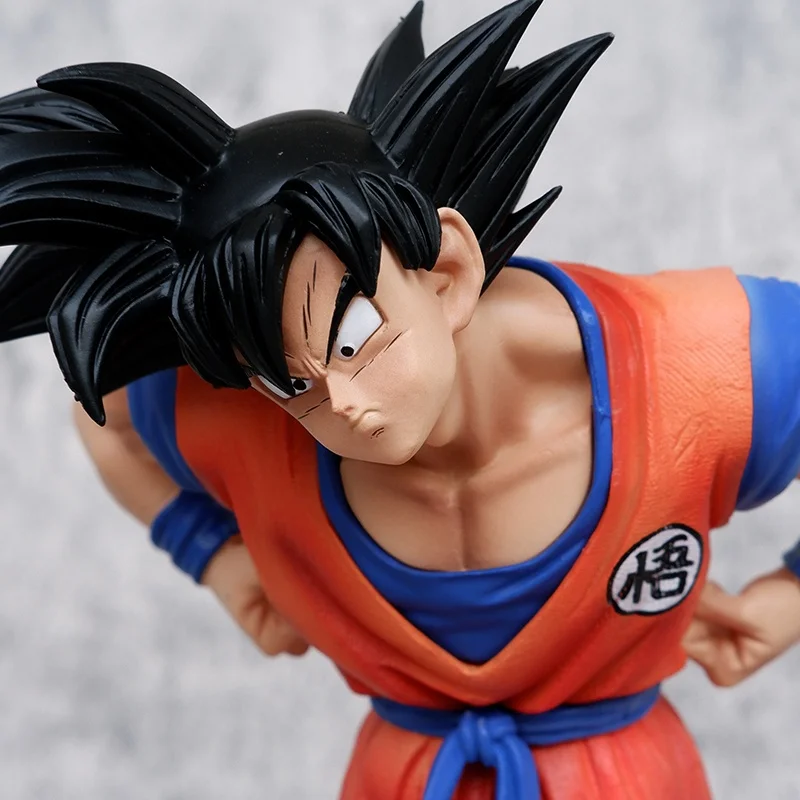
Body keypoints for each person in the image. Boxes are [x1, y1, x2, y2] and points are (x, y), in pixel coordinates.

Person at [0, 0, 799, 797]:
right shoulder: (245, 420)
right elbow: (106, 423)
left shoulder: (696, 364)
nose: (341, 402)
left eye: (353, 337)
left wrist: (790, 597)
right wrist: (213, 556)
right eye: (291, 382)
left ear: (446, 272)